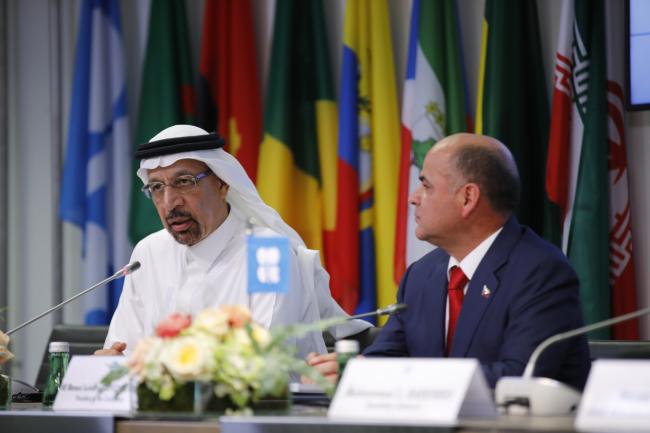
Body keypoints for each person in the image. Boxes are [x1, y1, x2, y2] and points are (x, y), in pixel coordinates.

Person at [308, 133, 591, 390]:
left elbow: (519, 378)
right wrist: (353, 370)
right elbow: (388, 356)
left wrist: (395, 377)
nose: (412, 198)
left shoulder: (541, 272)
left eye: (426, 186)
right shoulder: (422, 275)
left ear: (467, 198)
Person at [96, 124, 370, 358]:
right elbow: (124, 349)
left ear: (223, 184)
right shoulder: (148, 253)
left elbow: (265, 357)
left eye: (184, 182)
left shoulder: (268, 252)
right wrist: (111, 362)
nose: (170, 203)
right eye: (156, 188)